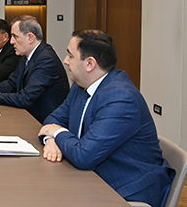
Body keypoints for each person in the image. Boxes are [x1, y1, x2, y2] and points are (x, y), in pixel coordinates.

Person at [38, 30, 174, 207]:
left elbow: (83, 155)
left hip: (126, 189)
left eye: (70, 55)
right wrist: (51, 140)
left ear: (90, 63)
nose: (65, 60)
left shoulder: (121, 98)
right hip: (91, 176)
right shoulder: (81, 86)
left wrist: (57, 133)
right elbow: (53, 119)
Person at [0, 15, 69, 123]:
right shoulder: (25, 55)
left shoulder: (46, 60)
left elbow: (25, 98)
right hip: (28, 116)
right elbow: (12, 82)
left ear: (30, 38)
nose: (11, 41)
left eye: (15, 37)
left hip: (44, 122)